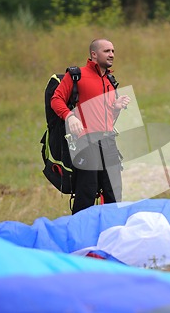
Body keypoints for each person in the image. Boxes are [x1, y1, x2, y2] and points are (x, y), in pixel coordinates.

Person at [51, 39, 131, 214]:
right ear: (94, 54)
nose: (111, 54)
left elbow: (108, 118)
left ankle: (112, 231)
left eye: (113, 51)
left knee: (113, 191)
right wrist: (69, 117)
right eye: (107, 51)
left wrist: (116, 108)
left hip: (108, 140)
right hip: (85, 141)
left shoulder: (110, 80)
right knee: (87, 190)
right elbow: (56, 100)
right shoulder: (76, 75)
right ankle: (80, 234)